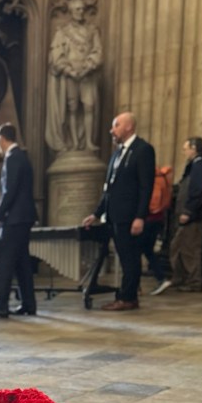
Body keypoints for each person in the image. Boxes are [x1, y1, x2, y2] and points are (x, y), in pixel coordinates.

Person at [83, 111, 156, 310]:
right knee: (124, 257)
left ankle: (128, 298)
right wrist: (96, 214)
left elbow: (146, 187)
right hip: (114, 215)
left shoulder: (143, 150)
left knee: (130, 258)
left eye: (116, 125)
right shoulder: (117, 153)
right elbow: (109, 188)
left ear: (129, 127)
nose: (111, 130)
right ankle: (125, 295)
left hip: (130, 215)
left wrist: (140, 217)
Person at [0, 123, 38, 319]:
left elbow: (9, 192)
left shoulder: (13, 158)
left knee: (4, 261)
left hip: (15, 219)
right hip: (23, 217)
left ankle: (1, 304)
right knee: (22, 262)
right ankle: (29, 303)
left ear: (1, 139)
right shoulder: (22, 157)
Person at [151, 137, 202, 295]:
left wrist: (188, 211)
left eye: (185, 149)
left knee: (189, 249)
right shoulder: (196, 164)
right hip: (191, 215)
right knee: (177, 246)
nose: (183, 152)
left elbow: (197, 190)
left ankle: (194, 282)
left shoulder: (200, 165)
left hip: (195, 216)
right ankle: (180, 277)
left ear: (194, 148)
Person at [45, 0, 103, 153]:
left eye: (83, 9)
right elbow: (56, 54)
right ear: (71, 11)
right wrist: (69, 70)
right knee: (72, 108)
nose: (81, 11)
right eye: (77, 9)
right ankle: (75, 143)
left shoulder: (92, 30)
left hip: (87, 74)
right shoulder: (63, 32)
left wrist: (88, 66)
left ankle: (89, 141)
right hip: (70, 74)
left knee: (89, 106)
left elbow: (97, 51)